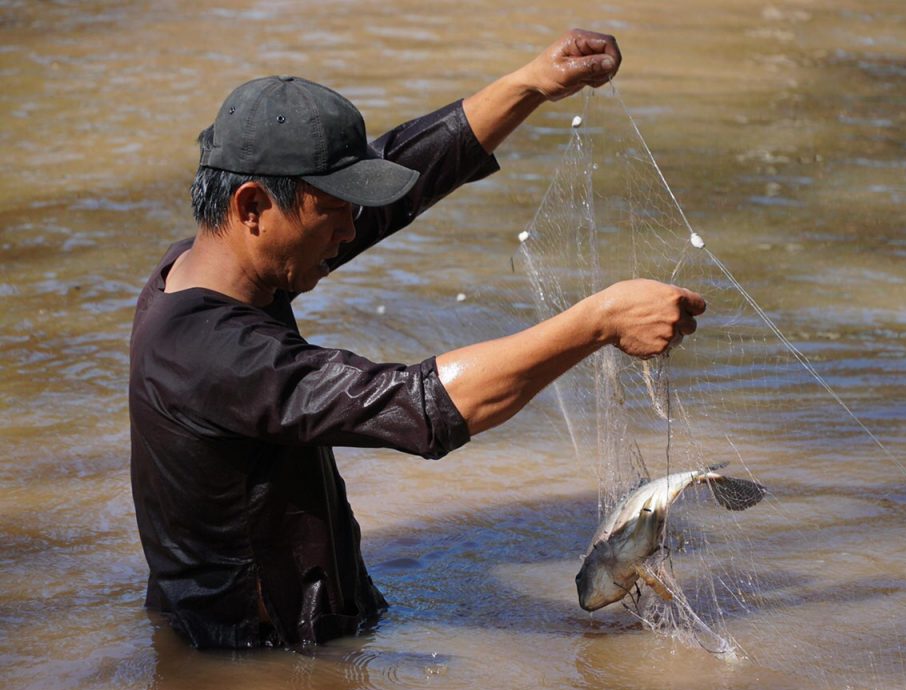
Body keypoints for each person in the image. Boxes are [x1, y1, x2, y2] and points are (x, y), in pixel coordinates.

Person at [129, 29, 706, 649]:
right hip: (255, 663)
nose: (353, 229)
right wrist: (599, 322)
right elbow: (420, 406)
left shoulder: (209, 271)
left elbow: (404, 177)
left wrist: (529, 85)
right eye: (337, 210)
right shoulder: (205, 352)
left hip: (305, 623)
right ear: (251, 206)